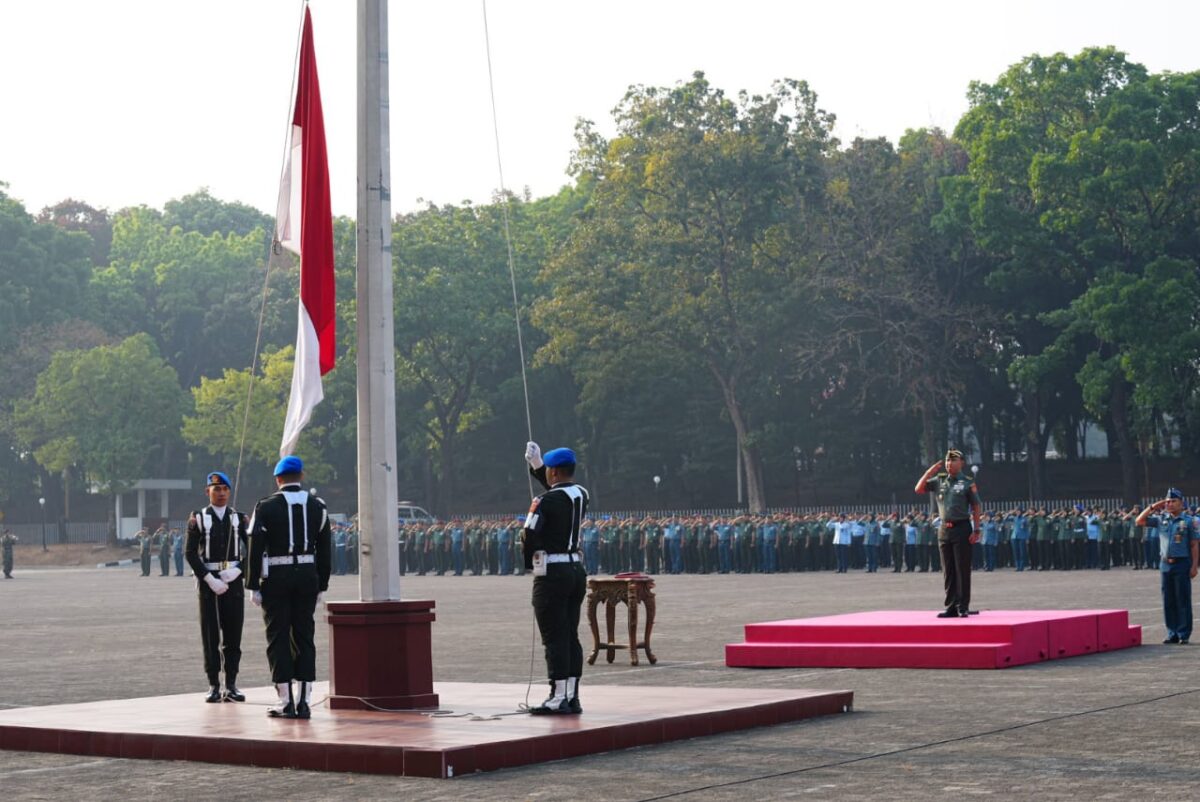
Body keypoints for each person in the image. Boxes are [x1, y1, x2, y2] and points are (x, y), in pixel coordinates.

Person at [246, 456, 332, 719]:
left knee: (278, 637)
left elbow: (255, 546)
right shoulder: (318, 507)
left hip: (277, 576)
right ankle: (304, 701)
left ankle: (286, 701)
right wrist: (322, 584)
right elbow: (325, 549)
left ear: (278, 479)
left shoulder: (266, 506)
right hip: (307, 576)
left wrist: (252, 584)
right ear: (301, 476)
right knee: (305, 636)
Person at [522, 441, 588, 715]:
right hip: (575, 570)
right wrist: (537, 466)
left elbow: (528, 533)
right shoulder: (581, 494)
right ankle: (571, 695)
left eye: (548, 468)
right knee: (570, 634)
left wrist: (531, 562)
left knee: (554, 637)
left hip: (553, 573)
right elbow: (558, 493)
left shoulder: (544, 501)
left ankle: (557, 696)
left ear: (554, 472)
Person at [185, 471, 249, 703]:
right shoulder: (199, 518)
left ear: (229, 491)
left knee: (233, 634)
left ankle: (231, 683)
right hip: (209, 582)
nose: (221, 493)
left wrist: (238, 570)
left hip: (233, 580)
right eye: (216, 489)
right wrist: (209, 579)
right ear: (207, 492)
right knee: (211, 635)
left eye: (225, 489)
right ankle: (213, 684)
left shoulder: (239, 518)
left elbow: (253, 549)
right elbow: (190, 553)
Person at [916, 449, 982, 618]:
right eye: (947, 460)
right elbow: (919, 489)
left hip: (962, 528)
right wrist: (929, 471)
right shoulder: (939, 480)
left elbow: (976, 506)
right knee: (948, 569)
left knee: (962, 568)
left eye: (953, 460)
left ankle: (963, 606)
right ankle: (951, 605)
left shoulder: (968, 482)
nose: (949, 463)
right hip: (944, 529)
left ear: (962, 463)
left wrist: (976, 529)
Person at [1135, 488, 1198, 645]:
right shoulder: (1161, 519)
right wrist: (1154, 506)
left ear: (1181, 503)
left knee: (1182, 600)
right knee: (1168, 601)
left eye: (1173, 501)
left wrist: (1194, 566)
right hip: (1165, 564)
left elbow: (1194, 545)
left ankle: (1183, 633)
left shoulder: (1189, 521)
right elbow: (1139, 521)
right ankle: (1172, 633)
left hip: (1182, 563)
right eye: (1167, 501)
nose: (1169, 504)